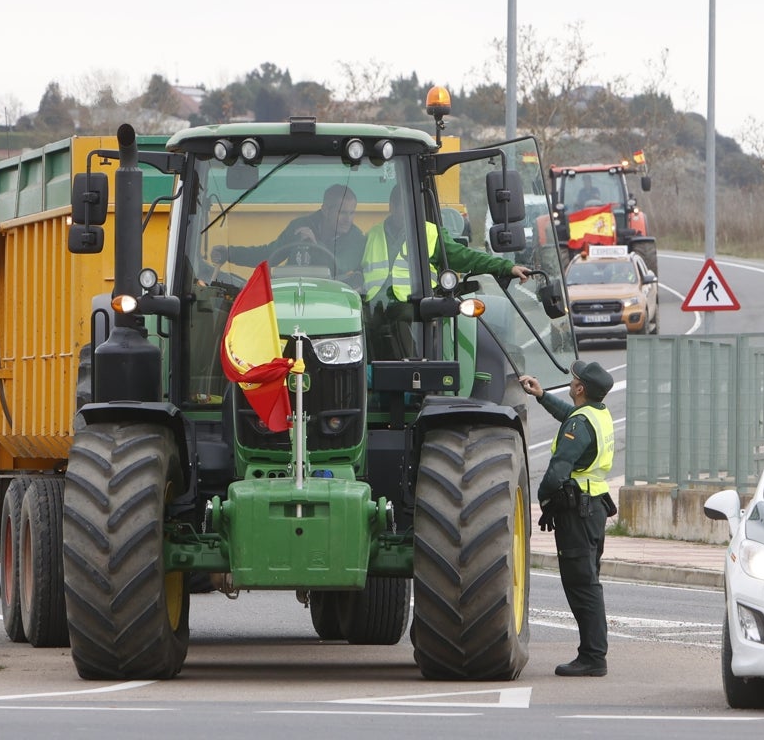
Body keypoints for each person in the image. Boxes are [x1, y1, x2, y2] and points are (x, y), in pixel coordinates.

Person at [520, 360, 617, 677]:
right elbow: (571, 418)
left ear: (579, 388)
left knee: (582, 584)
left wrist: (544, 500)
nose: (572, 381)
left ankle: (593, 657)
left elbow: (558, 469)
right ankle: (593, 654)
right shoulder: (596, 414)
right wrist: (542, 395)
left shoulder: (580, 424)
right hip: (595, 508)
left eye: (574, 379)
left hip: (578, 511)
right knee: (589, 581)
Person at [361, 184, 531, 359]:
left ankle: (414, 367)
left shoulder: (430, 233)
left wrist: (505, 267)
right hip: (375, 304)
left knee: (404, 318)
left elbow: (465, 256)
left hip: (413, 303)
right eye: (398, 206)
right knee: (358, 323)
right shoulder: (373, 234)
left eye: (406, 206)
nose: (402, 212)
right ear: (391, 206)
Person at [218, 184, 365, 286]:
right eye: (342, 213)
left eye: (352, 213)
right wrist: (230, 253)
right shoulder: (299, 226)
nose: (349, 219)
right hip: (289, 297)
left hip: (331, 303)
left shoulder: (356, 238)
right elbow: (269, 254)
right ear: (325, 210)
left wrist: (315, 245)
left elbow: (340, 266)